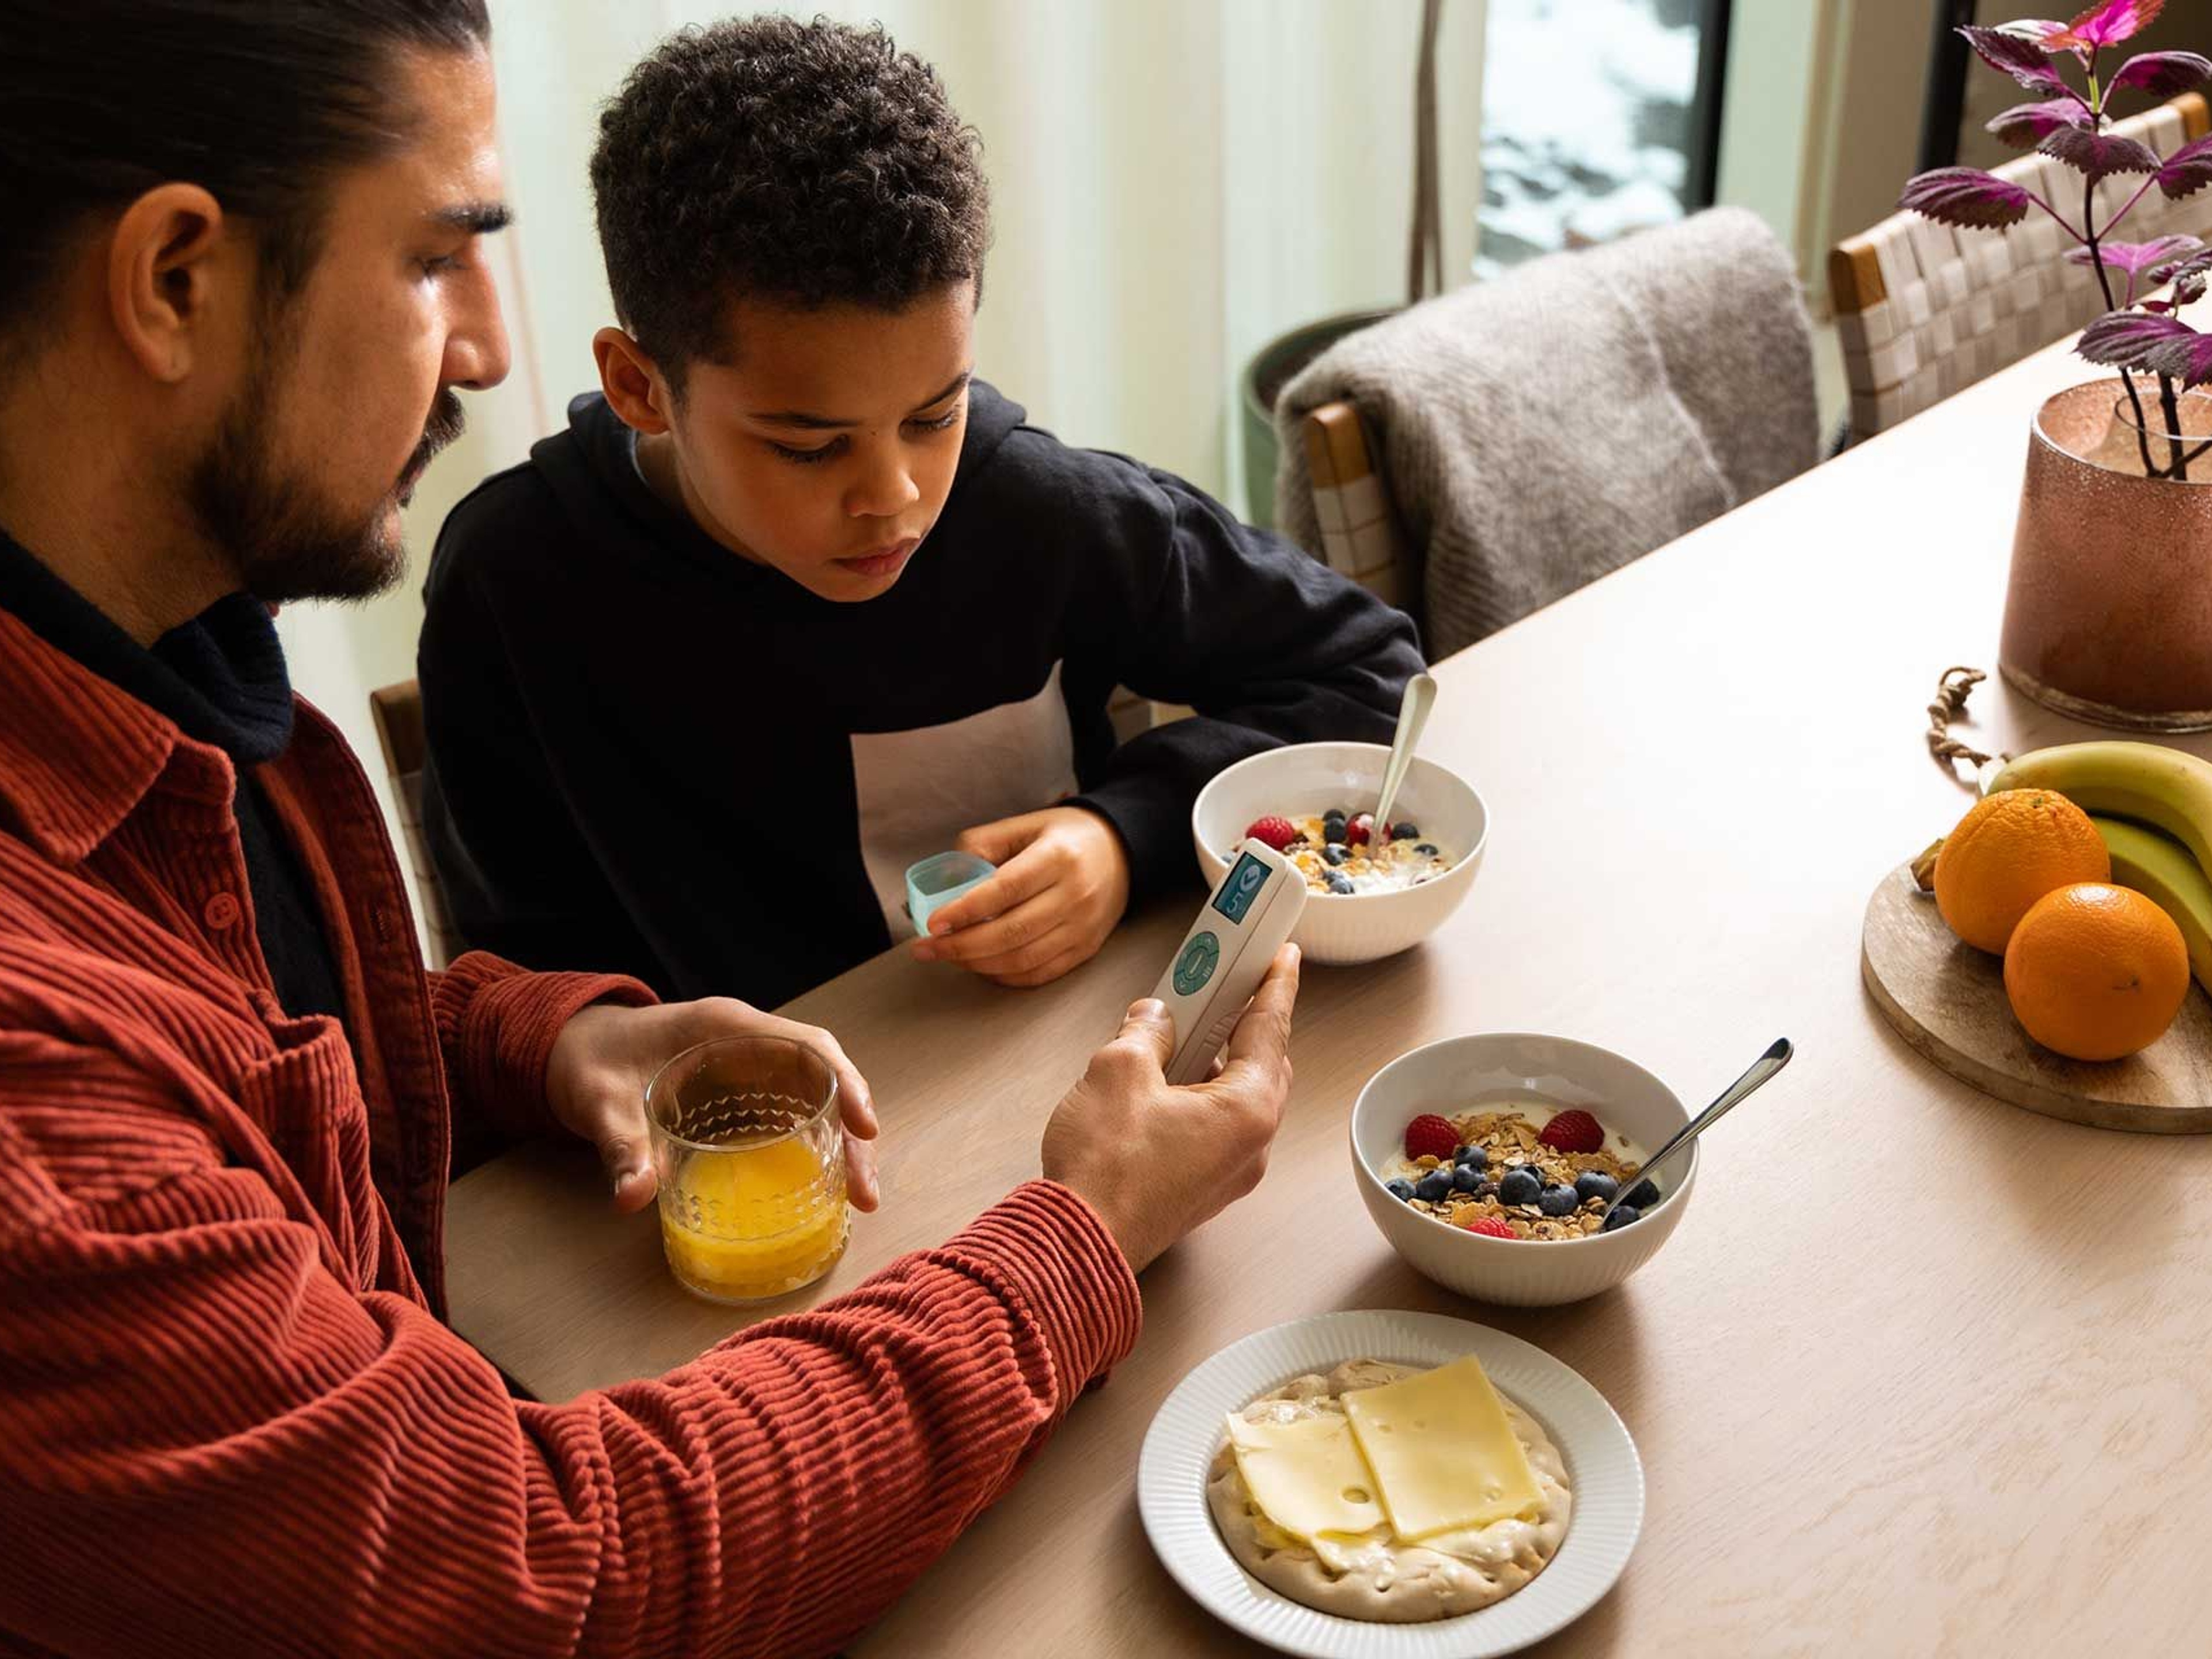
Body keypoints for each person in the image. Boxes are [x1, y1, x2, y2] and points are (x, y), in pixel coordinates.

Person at [0, 5, 1300, 1654]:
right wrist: (1083, 1236)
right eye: (430, 261)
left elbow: (237, 1058)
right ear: (175, 279)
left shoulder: (173, 687)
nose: (482, 349)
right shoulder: (35, 1134)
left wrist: (537, 1041)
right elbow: (550, 1579)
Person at [416, 15, 1423, 1008]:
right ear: (641, 388)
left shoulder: (1036, 515)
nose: (894, 498)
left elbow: (1367, 671)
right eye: (809, 446)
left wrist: (1123, 832)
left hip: (1037, 1065)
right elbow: (514, 977)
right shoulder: (513, 583)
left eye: (936, 413)